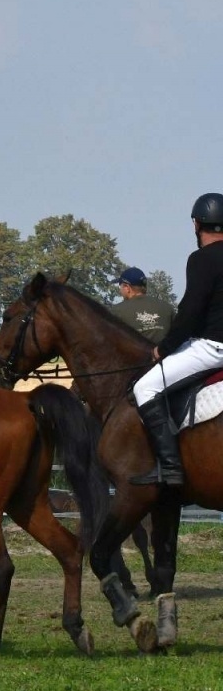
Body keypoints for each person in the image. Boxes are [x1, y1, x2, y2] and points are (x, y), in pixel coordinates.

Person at [130, 193, 223, 486]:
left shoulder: (201, 259)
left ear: (197, 224)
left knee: (145, 387)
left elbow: (190, 312)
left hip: (211, 348)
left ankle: (169, 467)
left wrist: (164, 348)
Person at [110, 267, 175, 345]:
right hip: (166, 356)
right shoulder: (167, 307)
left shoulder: (117, 311)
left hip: (134, 356)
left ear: (127, 288)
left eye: (120, 286)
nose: (120, 290)